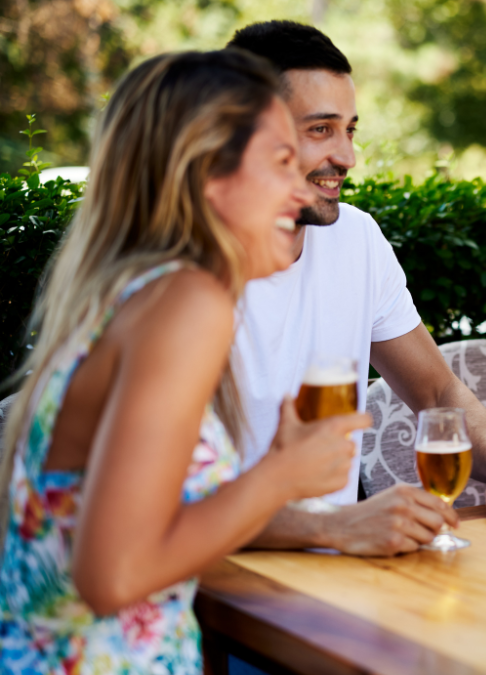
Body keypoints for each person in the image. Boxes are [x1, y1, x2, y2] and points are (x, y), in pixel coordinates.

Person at [0, 50, 368, 674]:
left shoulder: (139, 293)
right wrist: (280, 477)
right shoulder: (186, 303)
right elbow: (112, 575)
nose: (297, 183)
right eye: (281, 160)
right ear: (207, 176)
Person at [224, 21, 486, 557]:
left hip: (341, 577)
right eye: (320, 130)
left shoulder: (355, 238)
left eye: (350, 130)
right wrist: (334, 526)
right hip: (220, 590)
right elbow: (157, 509)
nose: (347, 157)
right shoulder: (183, 277)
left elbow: (437, 393)